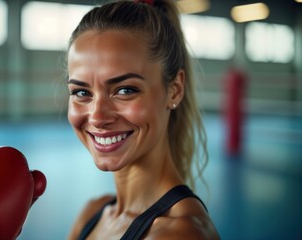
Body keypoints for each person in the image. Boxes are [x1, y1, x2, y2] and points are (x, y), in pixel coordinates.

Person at [66, 0, 219, 239]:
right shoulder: (93, 213)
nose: (97, 116)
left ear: (175, 90)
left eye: (125, 90)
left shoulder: (180, 233)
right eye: (81, 92)